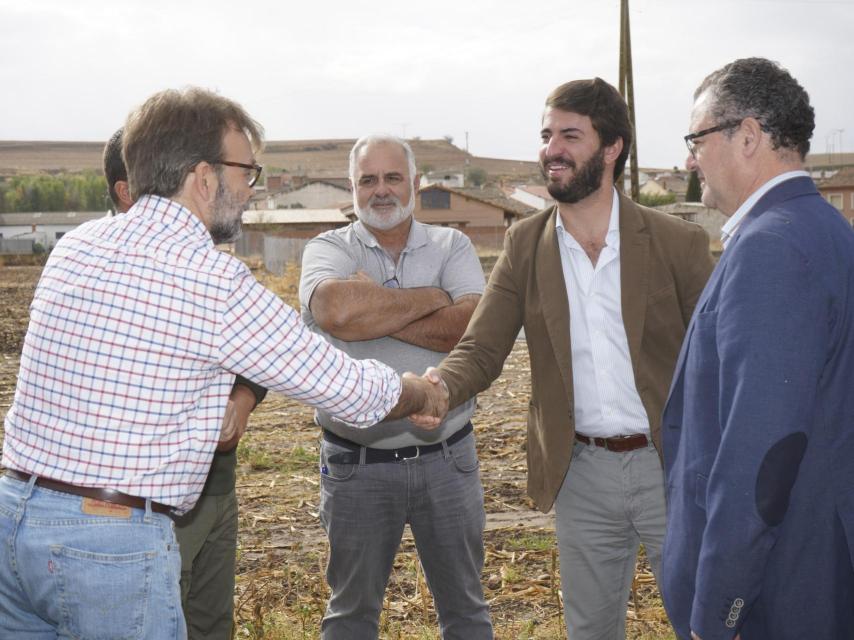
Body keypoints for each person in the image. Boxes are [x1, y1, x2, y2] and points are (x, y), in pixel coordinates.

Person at [0, 87, 446, 640]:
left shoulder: (77, 246)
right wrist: (418, 392)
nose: (248, 191)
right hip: (107, 548)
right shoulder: (212, 280)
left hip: (15, 519)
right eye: (245, 173)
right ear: (203, 177)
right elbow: (344, 387)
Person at [425, 78, 714, 639]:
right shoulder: (525, 245)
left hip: (672, 465)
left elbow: (720, 354)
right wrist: (436, 387)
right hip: (581, 471)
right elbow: (482, 347)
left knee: (705, 620)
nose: (551, 149)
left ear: (612, 149)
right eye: (546, 135)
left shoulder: (675, 242)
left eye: (570, 135)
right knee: (590, 631)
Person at [660, 57, 854, 640]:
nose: (690, 160)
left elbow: (762, 457)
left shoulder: (771, 249)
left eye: (696, 139)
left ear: (747, 136)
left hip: (783, 589)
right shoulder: (824, 228)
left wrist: (721, 608)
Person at [298, 134, 492, 639]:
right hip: (355, 467)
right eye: (368, 180)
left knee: (467, 613)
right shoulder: (326, 248)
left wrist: (375, 308)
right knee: (351, 616)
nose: (380, 191)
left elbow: (468, 326)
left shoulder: (454, 245)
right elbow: (335, 310)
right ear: (353, 187)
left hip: (448, 460)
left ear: (415, 184)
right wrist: (432, 297)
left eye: (392, 178)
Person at [103, 127, 265, 639]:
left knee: (211, 620)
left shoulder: (208, 263)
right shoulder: (101, 270)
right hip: (148, 504)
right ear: (126, 191)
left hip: (217, 487)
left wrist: (242, 398)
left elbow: (263, 355)